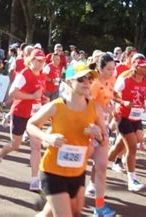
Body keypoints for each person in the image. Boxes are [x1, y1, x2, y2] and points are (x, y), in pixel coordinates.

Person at [26, 62, 107, 217]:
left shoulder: (95, 108)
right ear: (69, 81)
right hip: (52, 171)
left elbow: (103, 140)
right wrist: (47, 137)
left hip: (77, 172)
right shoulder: (56, 106)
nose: (87, 82)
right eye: (81, 79)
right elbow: (31, 124)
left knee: (68, 212)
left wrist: (98, 134)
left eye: (90, 79)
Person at [0, 49, 47, 191]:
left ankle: (35, 180)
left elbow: (39, 94)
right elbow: (13, 93)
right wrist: (32, 96)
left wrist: (42, 99)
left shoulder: (42, 75)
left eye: (42, 60)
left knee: (36, 146)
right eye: (36, 60)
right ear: (30, 60)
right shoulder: (23, 74)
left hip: (35, 116)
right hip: (20, 113)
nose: (39, 63)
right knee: (16, 145)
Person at [108, 55, 146, 192]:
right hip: (123, 116)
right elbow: (112, 94)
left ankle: (103, 162)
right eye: (144, 66)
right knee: (133, 148)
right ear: (136, 67)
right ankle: (132, 180)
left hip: (137, 117)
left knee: (119, 147)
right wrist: (123, 102)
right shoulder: (125, 80)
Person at [84, 53, 117, 216]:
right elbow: (88, 105)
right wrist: (103, 109)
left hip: (103, 128)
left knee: (102, 166)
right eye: (109, 69)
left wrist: (112, 106)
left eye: (113, 68)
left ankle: (99, 207)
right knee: (77, 165)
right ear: (100, 68)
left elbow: (110, 97)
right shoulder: (94, 84)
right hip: (90, 128)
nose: (112, 72)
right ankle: (56, 194)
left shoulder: (111, 80)